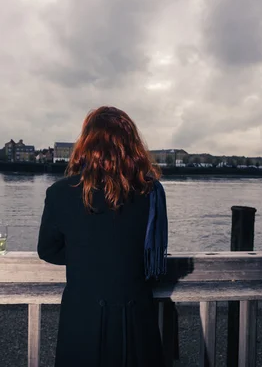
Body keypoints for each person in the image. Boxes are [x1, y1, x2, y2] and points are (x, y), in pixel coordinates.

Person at [37, 106, 168, 367]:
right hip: (135, 317)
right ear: (132, 144)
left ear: (86, 143)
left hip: (82, 316)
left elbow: (47, 250)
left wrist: (84, 254)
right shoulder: (151, 192)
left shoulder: (60, 192)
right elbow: (152, 253)